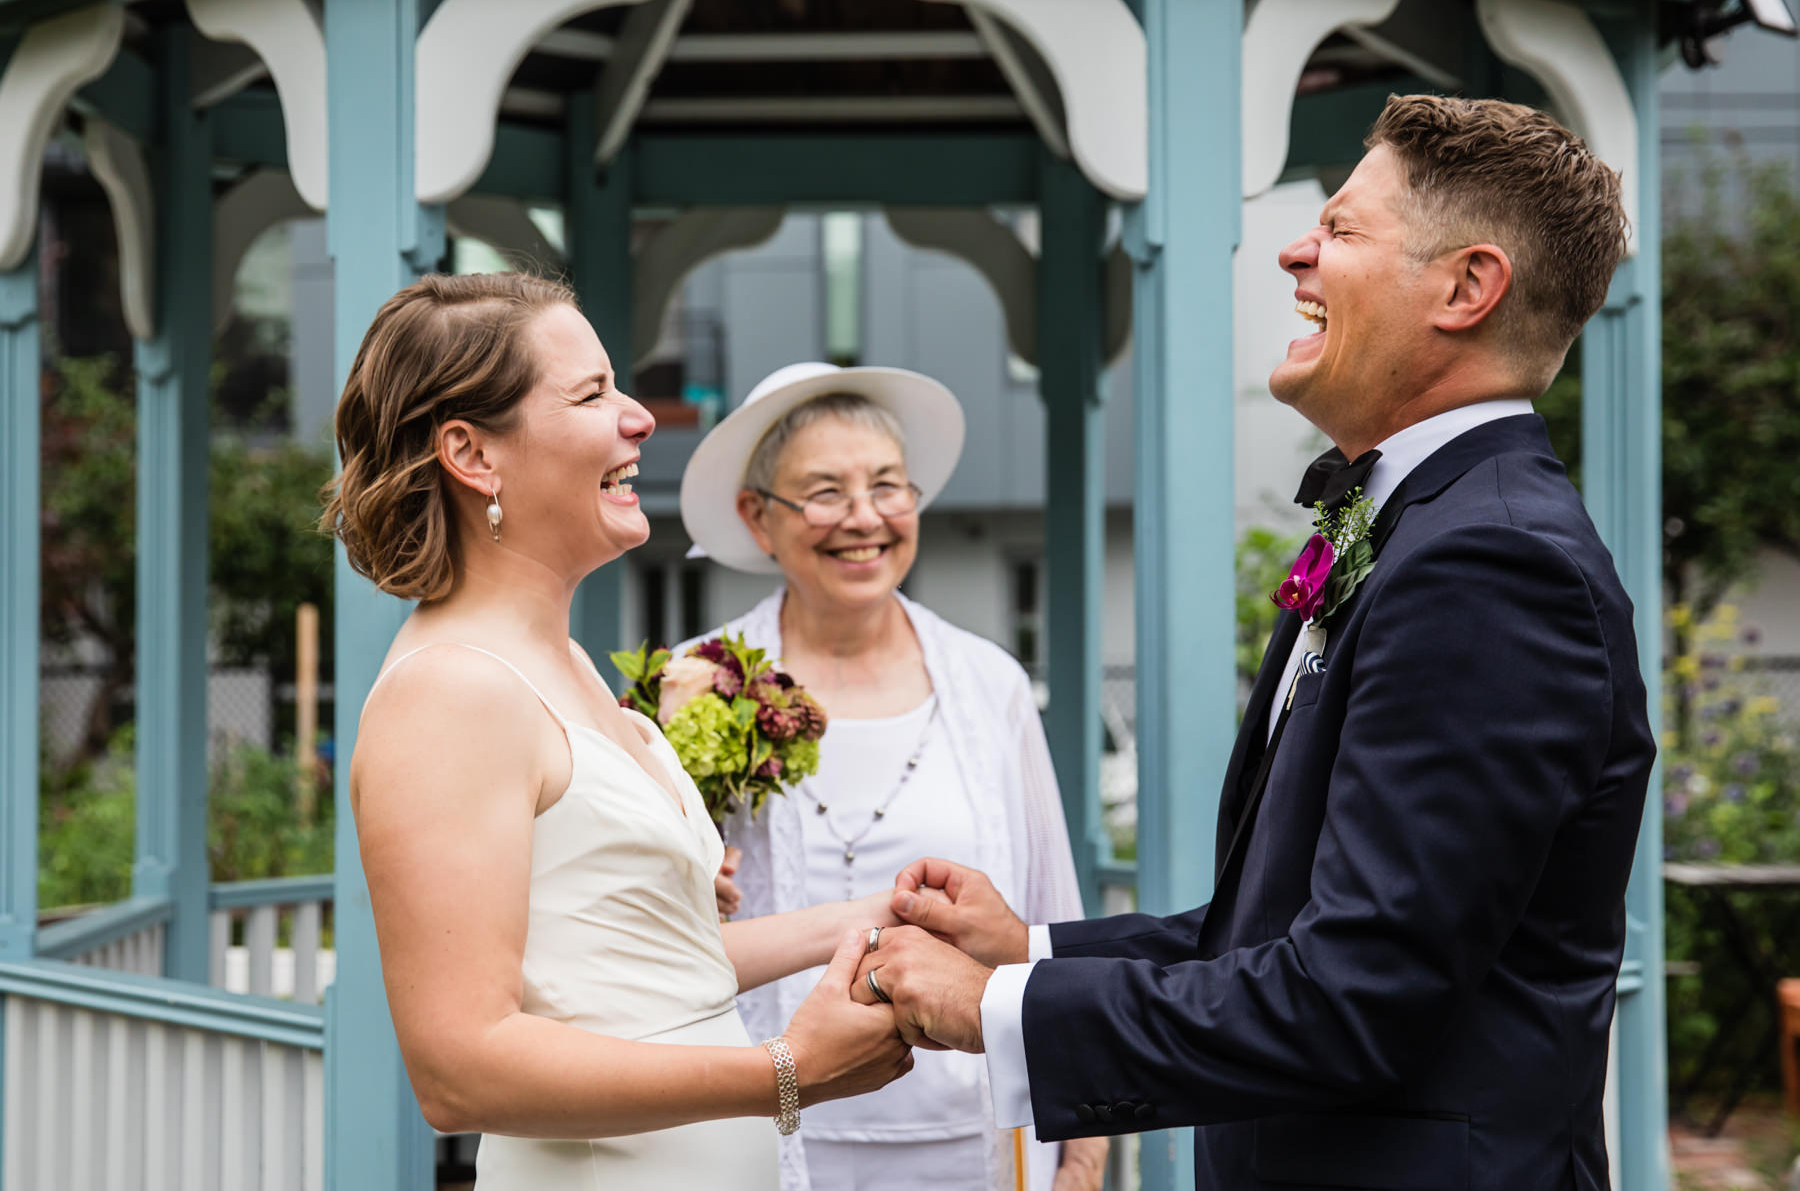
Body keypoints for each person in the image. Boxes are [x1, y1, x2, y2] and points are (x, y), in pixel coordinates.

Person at [850, 95, 1657, 1191]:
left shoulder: (1492, 568)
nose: (1293, 250)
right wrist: (1029, 950)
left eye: (1338, 228)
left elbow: (1353, 997)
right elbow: (1278, 932)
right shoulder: (1417, 529)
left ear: (1467, 288)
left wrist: (997, 1012)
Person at [324, 274, 914, 1191]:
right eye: (593, 394)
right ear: (472, 454)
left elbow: (644, 978)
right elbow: (458, 1069)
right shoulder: (449, 695)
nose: (639, 419)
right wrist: (786, 1074)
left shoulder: (561, 663)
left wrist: (868, 918)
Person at [678, 362, 1110, 1191]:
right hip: (757, 1136)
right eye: (826, 493)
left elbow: (1050, 914)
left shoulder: (991, 685)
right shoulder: (697, 685)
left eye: (887, 486)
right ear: (757, 518)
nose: (865, 518)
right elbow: (652, 927)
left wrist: (1084, 1155)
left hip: (970, 1143)